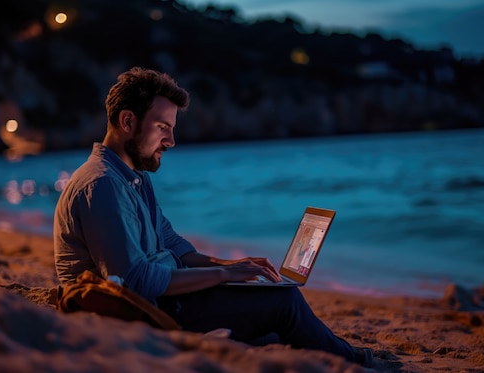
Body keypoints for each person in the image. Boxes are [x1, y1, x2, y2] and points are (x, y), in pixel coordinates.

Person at [53, 67, 373, 367]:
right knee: (284, 300)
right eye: (162, 127)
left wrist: (227, 266)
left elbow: (171, 242)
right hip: (150, 311)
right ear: (127, 122)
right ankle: (354, 358)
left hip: (169, 297)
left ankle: (330, 345)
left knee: (274, 324)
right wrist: (223, 277)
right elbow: (134, 282)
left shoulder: (132, 178)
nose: (171, 141)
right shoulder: (103, 184)